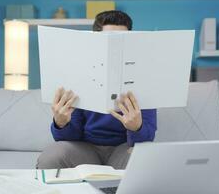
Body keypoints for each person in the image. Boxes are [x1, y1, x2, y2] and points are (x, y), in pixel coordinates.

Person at [36, 10, 157, 170]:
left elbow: (147, 138)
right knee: (52, 156)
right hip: (86, 150)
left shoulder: (144, 78)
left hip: (123, 148)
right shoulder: (77, 75)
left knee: (142, 159)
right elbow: (68, 138)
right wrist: (61, 123)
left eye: (122, 40)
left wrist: (137, 127)